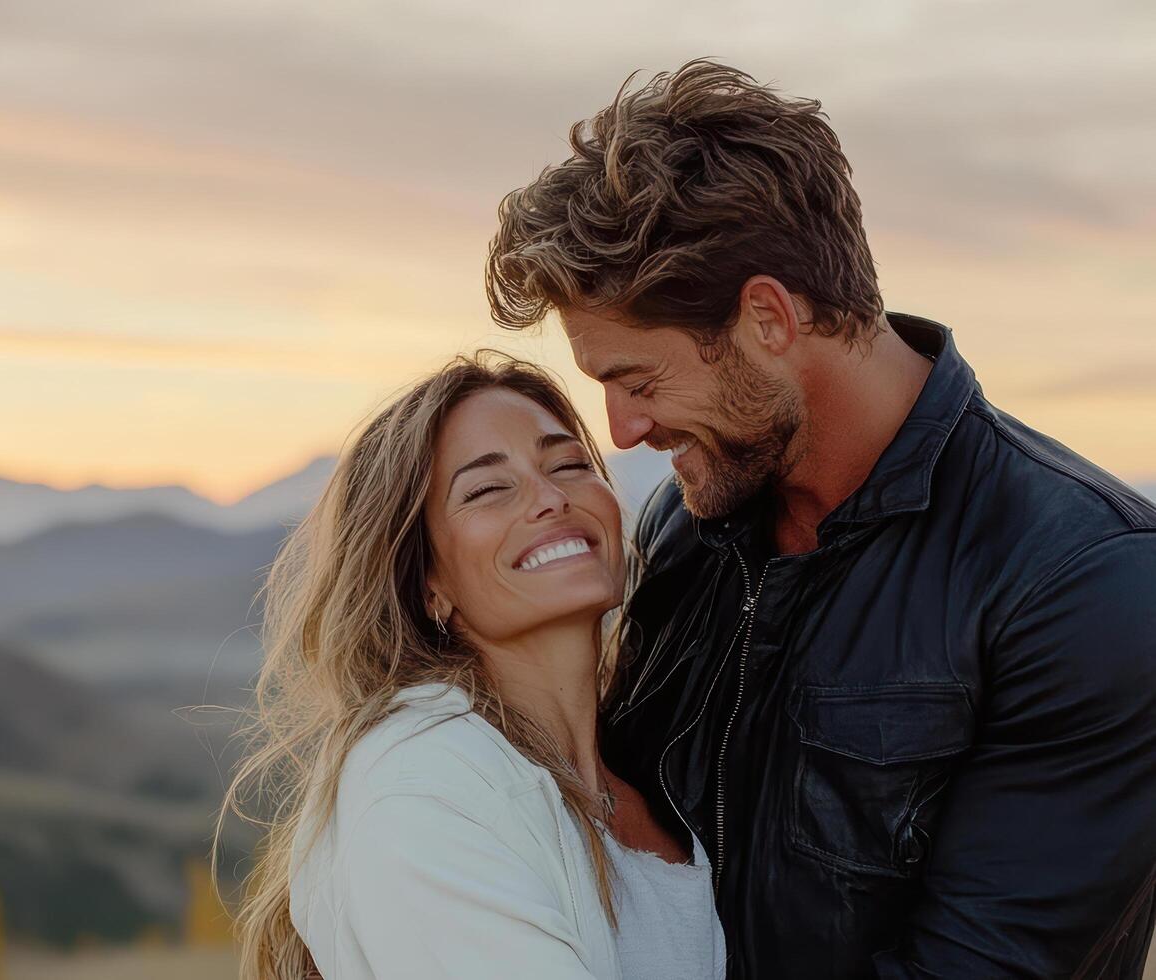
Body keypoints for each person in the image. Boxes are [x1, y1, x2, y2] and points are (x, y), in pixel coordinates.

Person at [486, 59, 1156, 978]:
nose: (625, 431)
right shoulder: (684, 534)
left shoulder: (1084, 580)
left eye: (637, 382)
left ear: (766, 317)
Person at [217, 353, 726, 979]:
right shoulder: (426, 778)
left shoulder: (656, 761)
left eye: (569, 465)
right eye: (488, 489)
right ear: (428, 582)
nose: (549, 498)